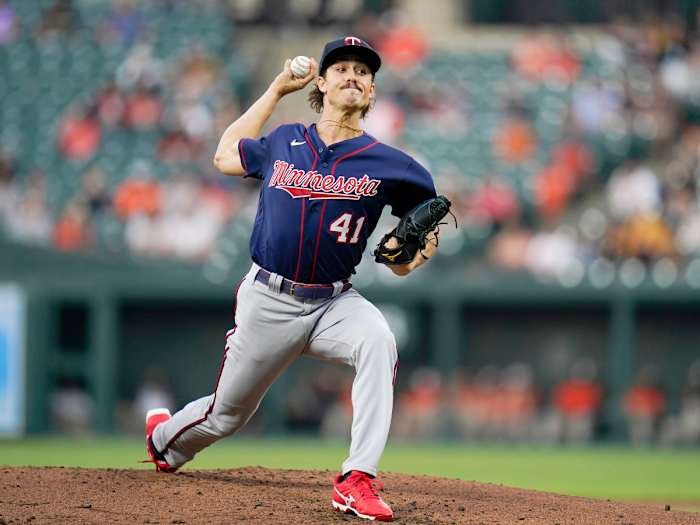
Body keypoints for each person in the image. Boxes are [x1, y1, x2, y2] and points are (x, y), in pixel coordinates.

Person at [144, 36, 440, 522]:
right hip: (269, 298)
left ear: (371, 91)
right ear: (321, 83)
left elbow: (426, 231)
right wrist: (278, 88)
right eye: (341, 68)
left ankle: (356, 478)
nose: (353, 76)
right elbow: (223, 156)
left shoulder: (394, 165)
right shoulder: (284, 139)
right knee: (227, 415)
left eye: (363, 72)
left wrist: (410, 259)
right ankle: (164, 439)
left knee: (378, 341)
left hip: (334, 302)